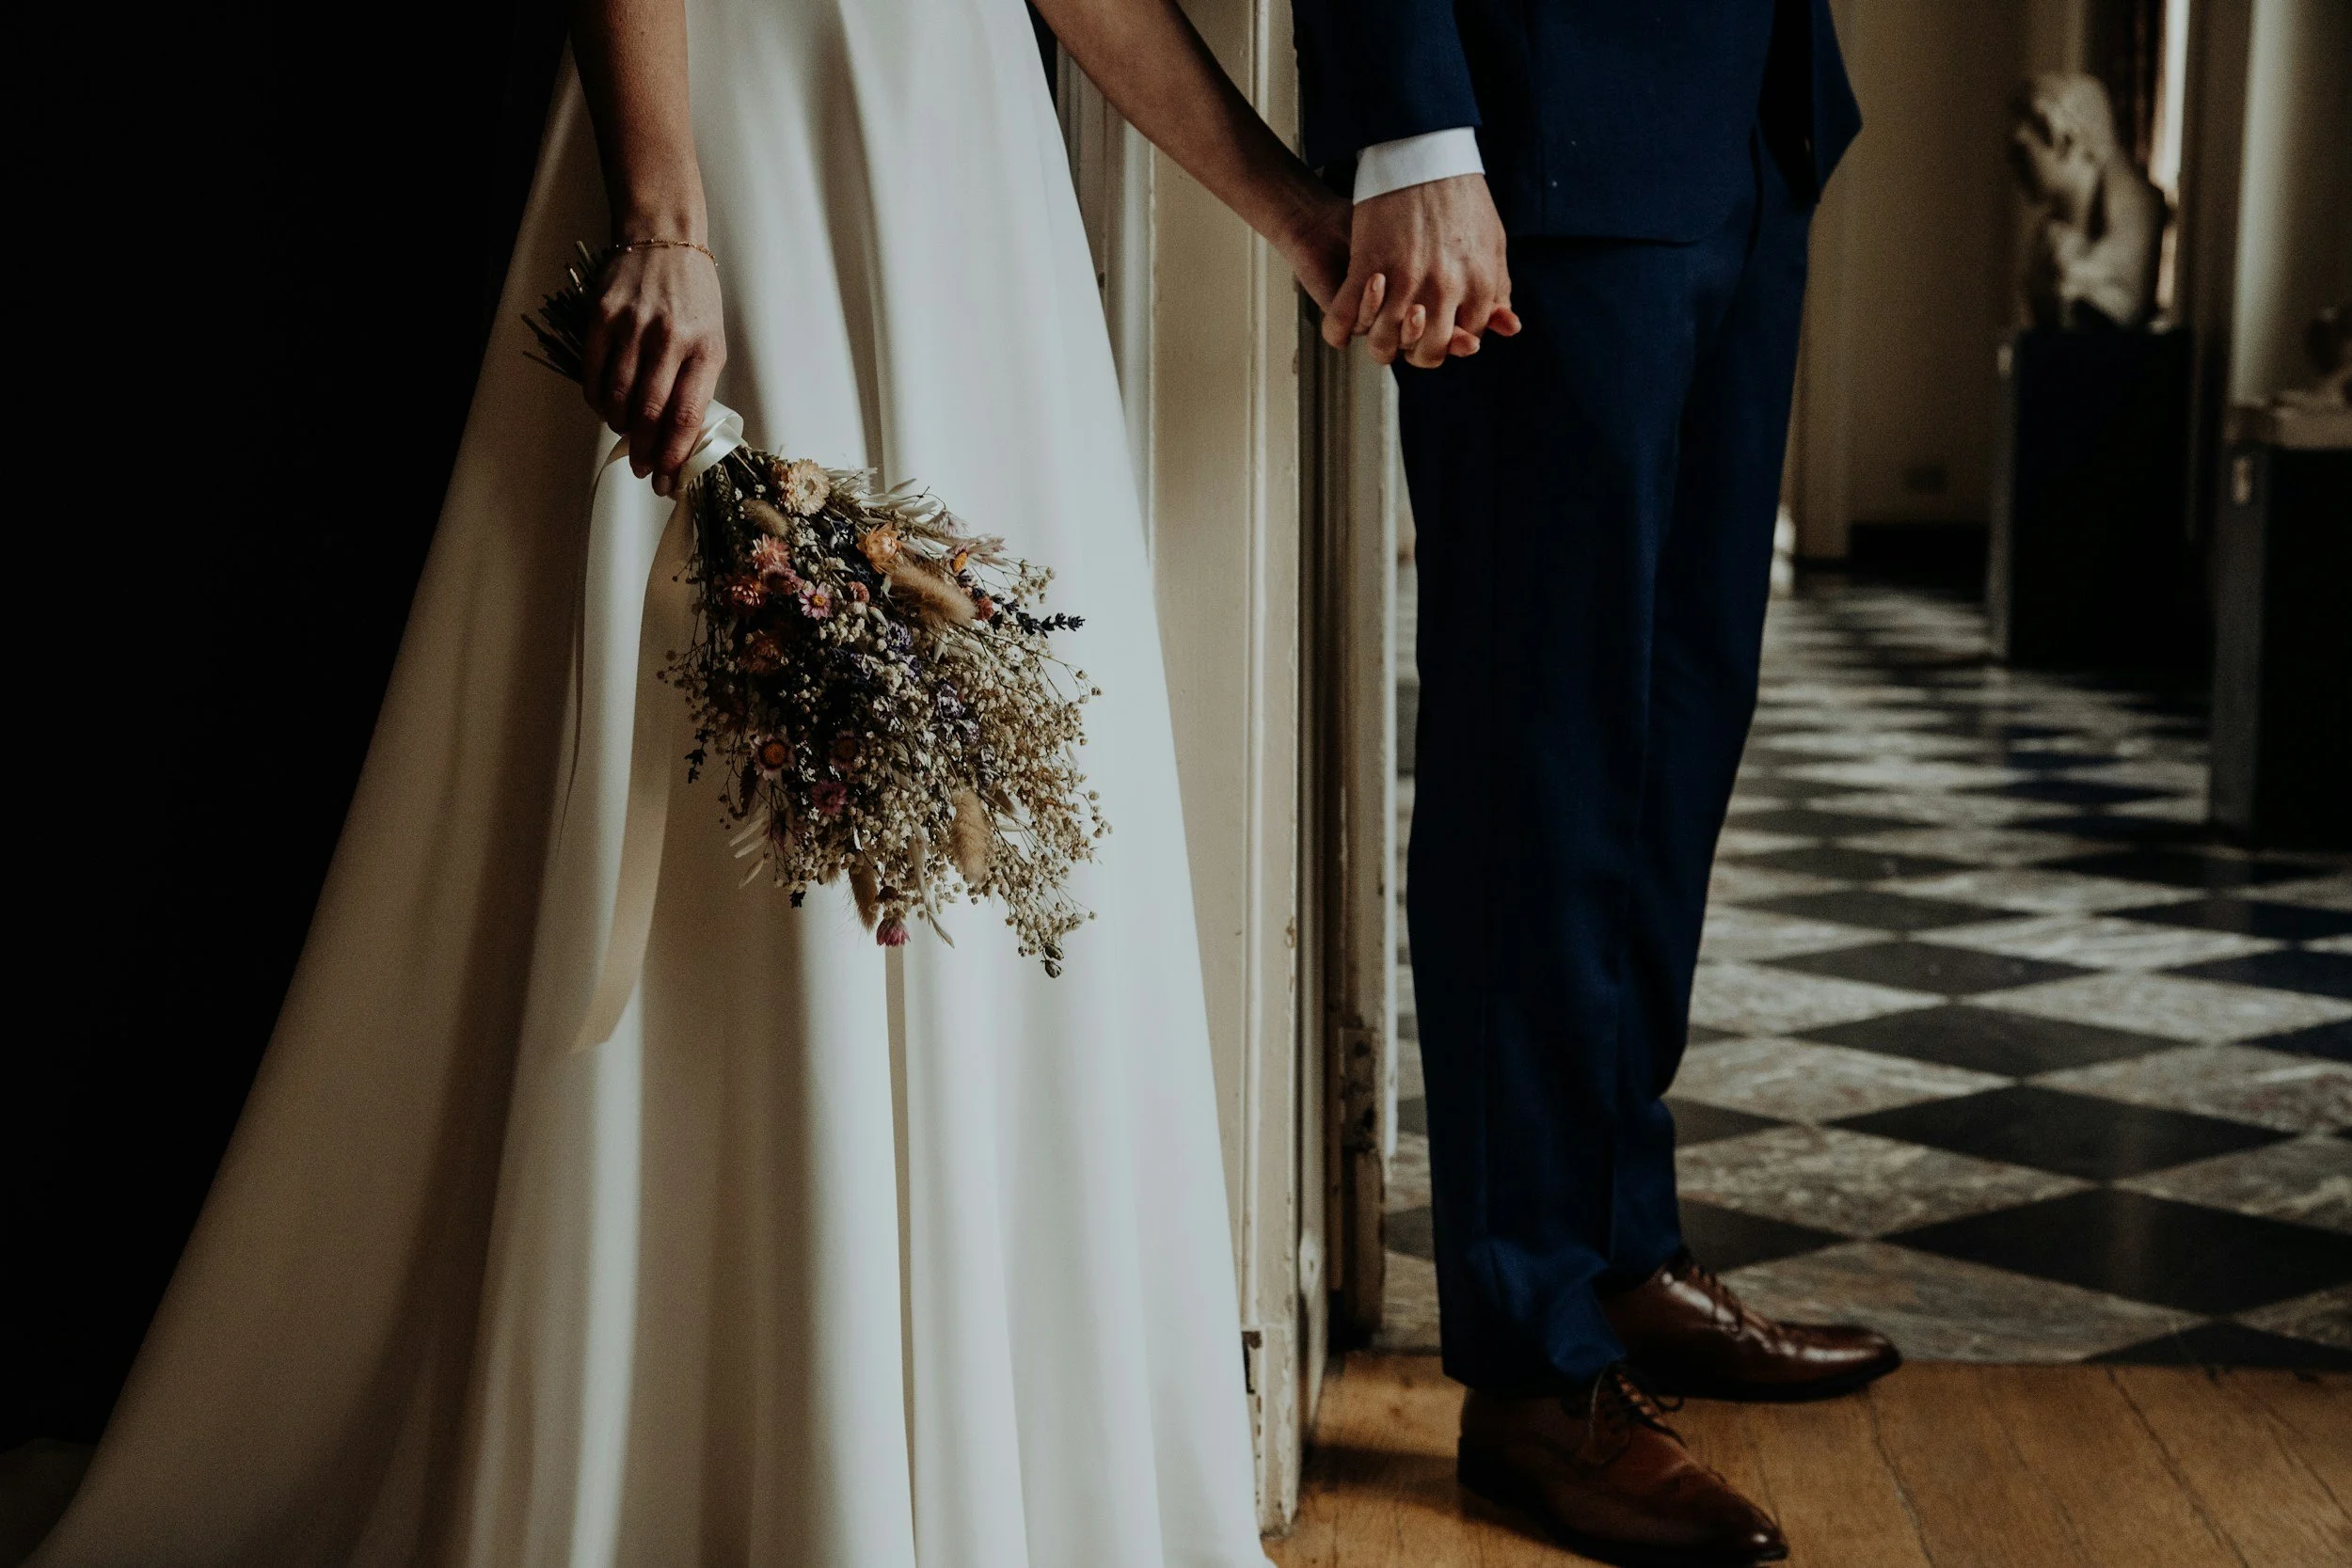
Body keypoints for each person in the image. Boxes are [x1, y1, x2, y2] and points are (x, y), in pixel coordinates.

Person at [34, 3, 1359, 1563]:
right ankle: (732, 1462)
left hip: (961, 165)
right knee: (739, 814)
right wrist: (664, 205)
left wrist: (1288, 207)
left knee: (986, 819)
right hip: (740, 140)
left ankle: (983, 1481)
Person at [1293, 3, 1899, 1564]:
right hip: (1536, 131)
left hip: (1749, 114)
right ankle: (1537, 1364)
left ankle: (1620, 1247)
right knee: (1542, 761)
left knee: (1678, 732)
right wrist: (1414, 120)